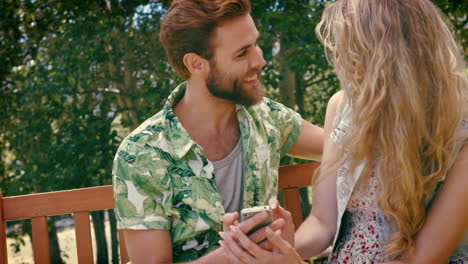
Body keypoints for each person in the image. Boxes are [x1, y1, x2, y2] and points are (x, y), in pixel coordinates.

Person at [219, 0, 468, 263]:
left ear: (387, 58)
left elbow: (423, 259)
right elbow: (322, 223)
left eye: (348, 50)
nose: (337, 60)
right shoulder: (342, 107)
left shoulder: (458, 128)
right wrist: (277, 247)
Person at [112, 0, 324, 263]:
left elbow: (346, 146)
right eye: (242, 53)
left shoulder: (266, 118)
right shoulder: (142, 154)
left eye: (256, 44)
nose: (260, 60)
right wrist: (236, 253)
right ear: (196, 64)